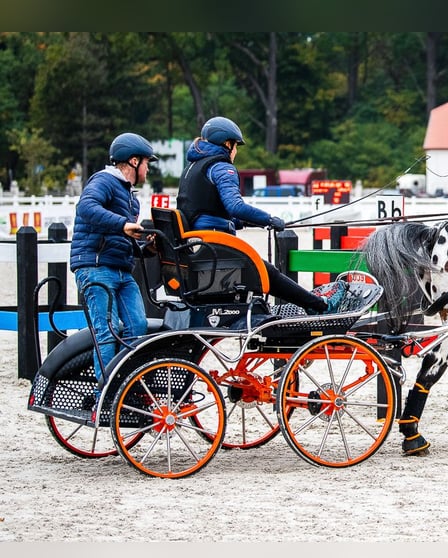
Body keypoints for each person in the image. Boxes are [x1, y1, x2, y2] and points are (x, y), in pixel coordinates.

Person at [176, 116, 345, 314]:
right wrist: (268, 219)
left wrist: (250, 223)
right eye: (236, 146)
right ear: (227, 144)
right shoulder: (222, 167)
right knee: (266, 271)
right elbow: (235, 206)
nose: (236, 152)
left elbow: (208, 209)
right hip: (214, 248)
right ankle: (320, 306)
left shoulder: (192, 167)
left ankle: (310, 304)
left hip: (199, 245)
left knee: (264, 270)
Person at [70, 133, 157, 402]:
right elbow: (86, 207)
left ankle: (126, 391)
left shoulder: (131, 198)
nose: (148, 169)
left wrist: (146, 248)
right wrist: (122, 224)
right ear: (133, 161)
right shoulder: (104, 181)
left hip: (121, 270)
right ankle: (105, 395)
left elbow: (120, 239)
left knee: (137, 326)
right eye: (146, 163)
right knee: (107, 331)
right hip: (95, 267)